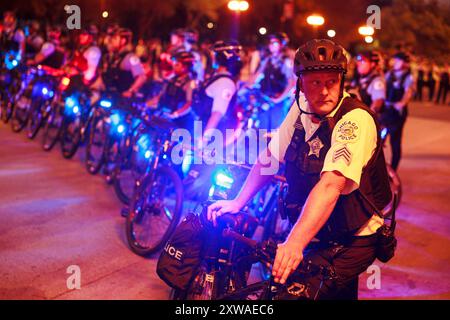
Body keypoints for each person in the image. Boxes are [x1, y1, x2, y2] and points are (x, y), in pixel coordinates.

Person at [207, 39, 392, 300]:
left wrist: (294, 243)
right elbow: (270, 158)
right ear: (301, 84)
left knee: (294, 294)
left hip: (354, 238)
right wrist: (238, 201)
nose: (325, 91)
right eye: (316, 82)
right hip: (323, 230)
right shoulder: (300, 108)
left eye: (332, 81)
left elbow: (331, 185)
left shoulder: (354, 121)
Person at [192, 40, 243, 147]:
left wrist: (204, 140)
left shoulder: (225, 83)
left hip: (212, 140)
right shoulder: (217, 78)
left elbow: (217, 114)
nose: (212, 59)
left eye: (214, 55)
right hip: (202, 129)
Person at [248, 32, 295, 130]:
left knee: (275, 131)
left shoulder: (286, 61)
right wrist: (245, 86)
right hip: (265, 98)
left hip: (278, 101)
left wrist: (279, 99)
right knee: (262, 127)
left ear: (282, 44)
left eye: (275, 43)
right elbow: (257, 74)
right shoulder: (268, 59)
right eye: (270, 43)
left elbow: (291, 82)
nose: (271, 46)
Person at [149, 50, 197, 132]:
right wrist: (146, 105)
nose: (174, 66)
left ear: (185, 67)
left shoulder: (190, 83)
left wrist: (176, 114)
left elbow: (189, 103)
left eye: (177, 64)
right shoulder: (172, 79)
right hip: (165, 117)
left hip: (179, 123)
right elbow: (161, 96)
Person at [383, 52, 414, 171]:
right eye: (394, 60)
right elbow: (383, 87)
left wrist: (402, 103)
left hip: (397, 114)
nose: (394, 62)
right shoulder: (389, 74)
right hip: (386, 110)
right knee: (377, 140)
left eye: (398, 60)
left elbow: (408, 92)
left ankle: (393, 171)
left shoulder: (408, 77)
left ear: (405, 63)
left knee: (395, 141)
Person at [100, 28, 147, 97]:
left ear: (123, 41)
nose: (111, 41)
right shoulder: (112, 56)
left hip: (121, 98)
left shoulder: (130, 57)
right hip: (108, 94)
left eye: (115, 39)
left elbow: (142, 77)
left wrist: (130, 91)